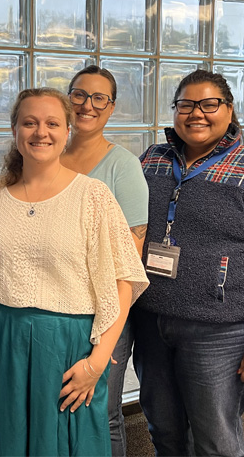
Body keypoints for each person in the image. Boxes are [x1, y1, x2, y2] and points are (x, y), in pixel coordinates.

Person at [0, 87, 149, 456]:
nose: (40, 132)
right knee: (7, 441)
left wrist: (98, 363)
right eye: (29, 123)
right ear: (14, 130)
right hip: (2, 340)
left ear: (67, 131)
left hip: (69, 347)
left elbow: (125, 282)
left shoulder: (93, 196)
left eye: (52, 123)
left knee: (67, 443)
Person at [133, 69, 244, 456]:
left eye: (209, 104)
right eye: (186, 104)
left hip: (218, 330)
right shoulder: (152, 158)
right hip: (151, 318)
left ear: (229, 109)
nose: (197, 113)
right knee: (163, 431)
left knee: (215, 439)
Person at [61, 65, 148, 456]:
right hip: (57, 311)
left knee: (101, 411)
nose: (87, 105)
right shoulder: (48, 154)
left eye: (99, 98)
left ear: (111, 108)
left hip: (106, 314)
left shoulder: (122, 167)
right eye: (79, 94)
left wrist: (110, 330)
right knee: (63, 406)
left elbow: (131, 259)